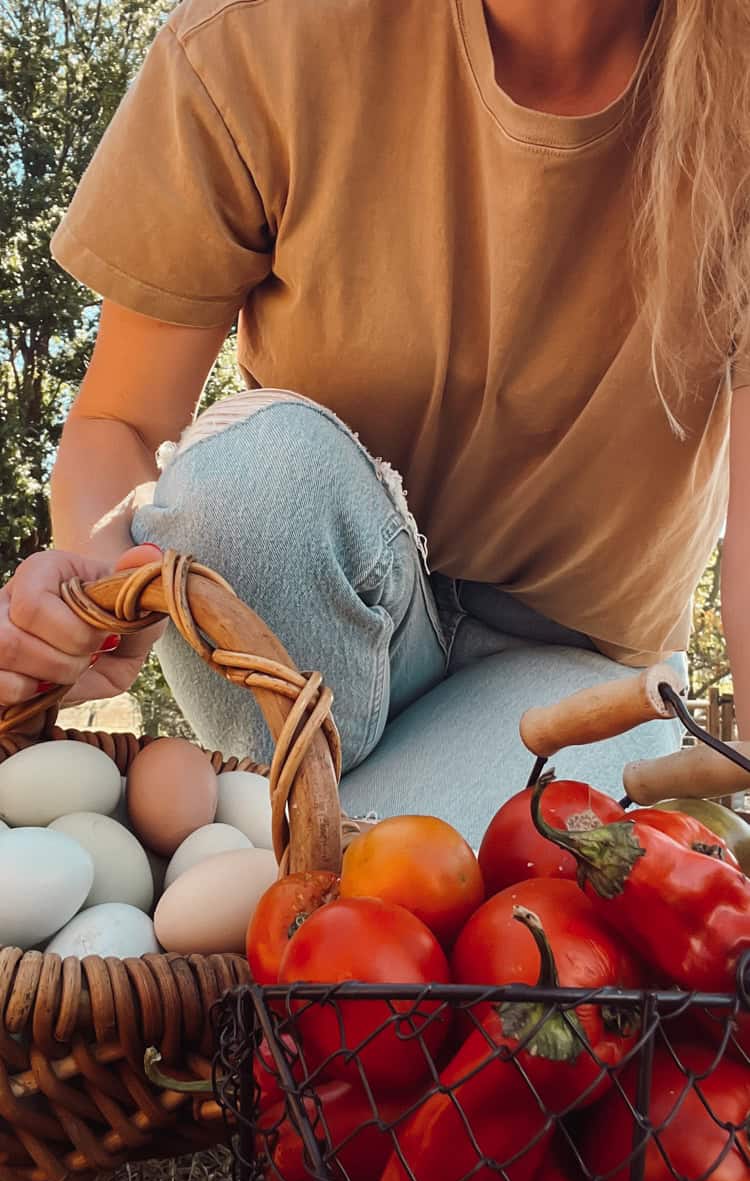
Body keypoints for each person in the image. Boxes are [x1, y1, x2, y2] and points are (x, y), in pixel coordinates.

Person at [1, 0, 749, 847]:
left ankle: (264, 858)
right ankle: (276, 854)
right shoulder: (259, 41)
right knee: (242, 483)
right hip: (313, 613)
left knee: (356, 906)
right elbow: (121, 422)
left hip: (575, 673)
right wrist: (98, 598)